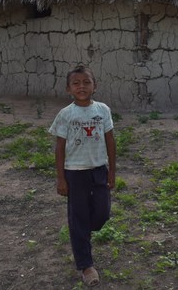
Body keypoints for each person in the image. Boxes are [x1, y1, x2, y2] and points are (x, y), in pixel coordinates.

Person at [48, 66, 116, 287]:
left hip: (98, 170)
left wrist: (112, 171)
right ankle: (86, 266)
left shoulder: (103, 110)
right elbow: (59, 148)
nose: (82, 86)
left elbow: (110, 141)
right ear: (69, 89)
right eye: (76, 83)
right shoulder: (66, 114)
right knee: (78, 220)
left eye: (86, 82)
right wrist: (61, 178)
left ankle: (84, 231)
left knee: (102, 213)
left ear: (95, 86)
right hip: (74, 173)